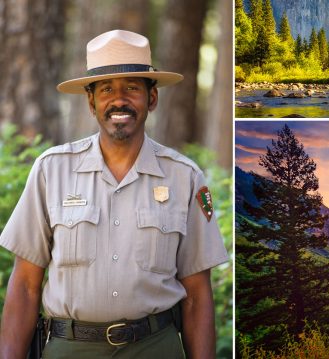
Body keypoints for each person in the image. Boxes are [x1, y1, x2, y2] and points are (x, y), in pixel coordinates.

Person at [0, 29, 229, 359]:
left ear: (152, 98)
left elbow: (197, 296)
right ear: (91, 101)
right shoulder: (52, 171)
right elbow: (24, 285)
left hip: (155, 347)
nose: (119, 100)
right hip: (70, 348)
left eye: (132, 88)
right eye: (107, 89)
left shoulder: (185, 177)